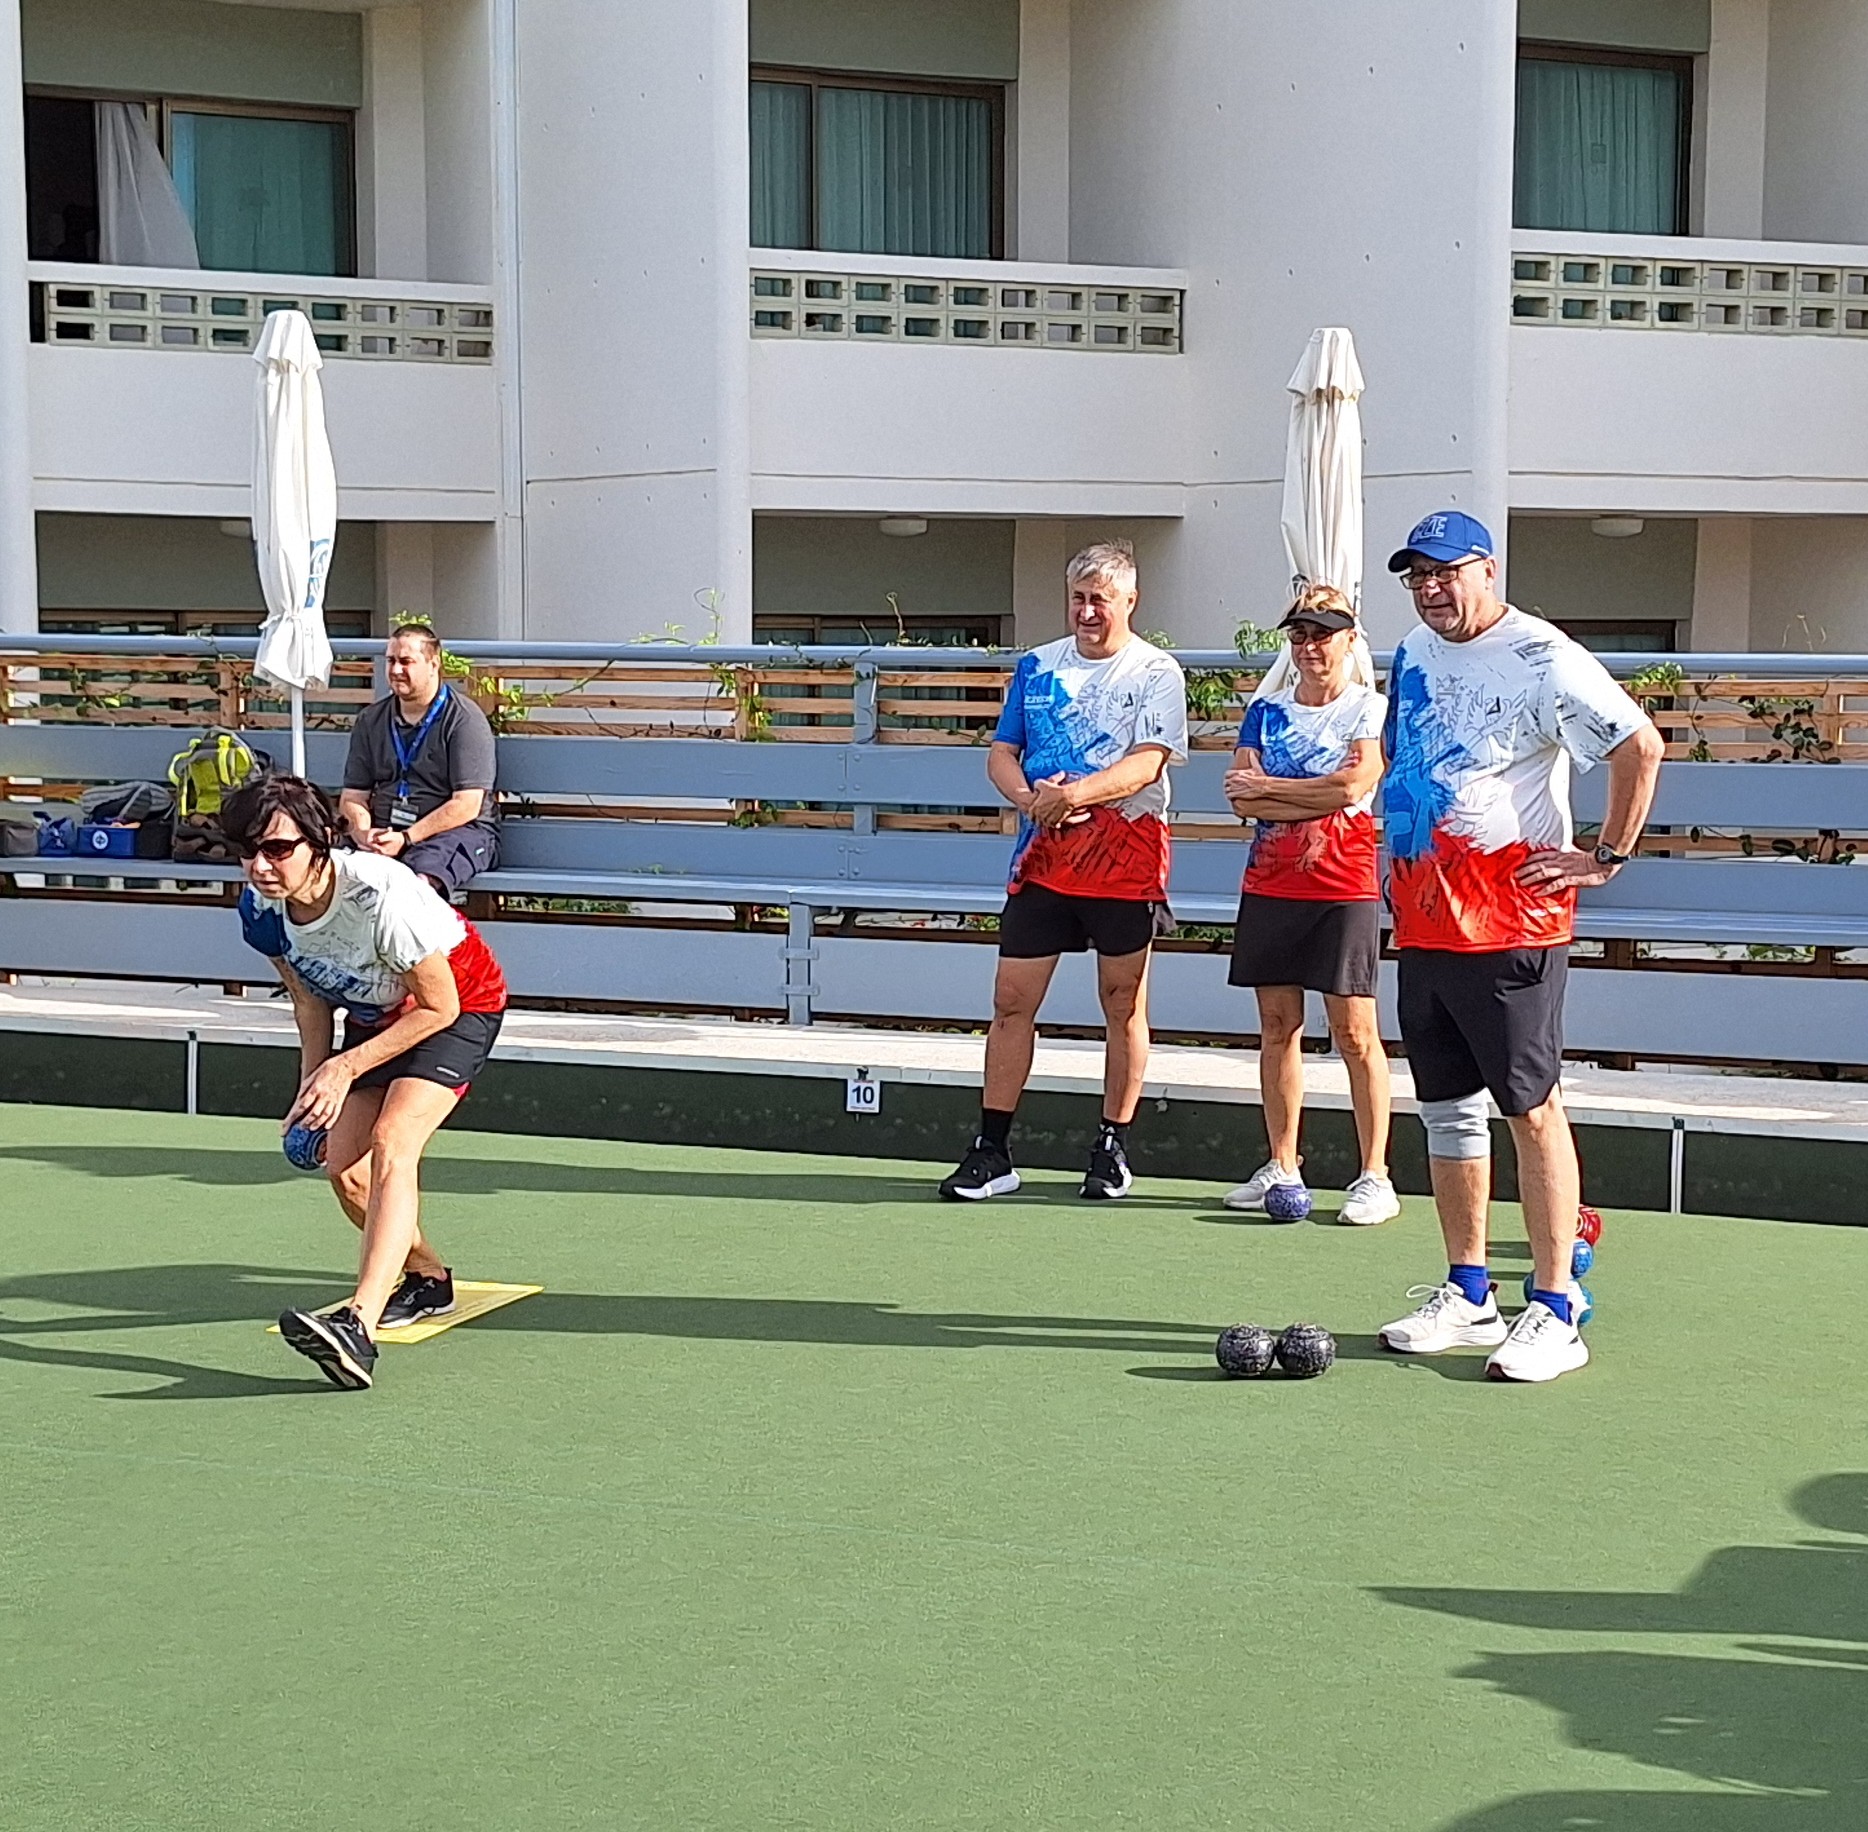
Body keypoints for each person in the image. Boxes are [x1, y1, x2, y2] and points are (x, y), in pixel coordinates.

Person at [1375, 511, 1662, 1383]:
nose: (1431, 589)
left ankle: (1556, 1307)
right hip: (1424, 918)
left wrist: (1605, 856)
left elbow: (1640, 745)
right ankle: (1469, 1292)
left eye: (1445, 572)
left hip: (1512, 922)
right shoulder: (1412, 653)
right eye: (1417, 576)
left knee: (1530, 1108)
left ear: (1487, 571)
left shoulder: (1544, 654)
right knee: (1447, 1108)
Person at [222, 772, 509, 1390]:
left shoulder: (380, 897)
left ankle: (359, 1327)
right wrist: (313, 1088)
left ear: (319, 842)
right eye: (247, 850)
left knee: (392, 1141)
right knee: (345, 1172)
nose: (260, 866)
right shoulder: (262, 911)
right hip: (378, 1015)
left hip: (459, 1004)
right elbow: (310, 1001)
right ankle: (429, 1279)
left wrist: (345, 1067)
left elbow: (440, 1007)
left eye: (277, 849)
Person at [939, 540, 1189, 1203]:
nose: (1087, 612)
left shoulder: (1156, 672)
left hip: (1126, 860)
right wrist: (1031, 801)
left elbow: (1148, 763)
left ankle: (1112, 1145)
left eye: (1100, 599)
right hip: (1042, 860)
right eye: (1078, 598)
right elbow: (1002, 752)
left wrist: (1072, 795)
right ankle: (992, 1149)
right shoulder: (1038, 665)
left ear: (1130, 601)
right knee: (1010, 1000)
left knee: (1122, 1002)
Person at [1221, 586, 1398, 1226]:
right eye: (1300, 635)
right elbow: (1240, 798)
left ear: (1350, 639)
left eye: (1323, 634)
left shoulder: (1369, 708)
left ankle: (1374, 1174)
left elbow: (1353, 786)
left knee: (1355, 1032)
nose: (1310, 646)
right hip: (1271, 884)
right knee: (1277, 1027)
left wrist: (1274, 789)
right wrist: (1303, 793)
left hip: (1342, 885)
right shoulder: (1265, 711)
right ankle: (1282, 1161)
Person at [340, 621, 500, 898]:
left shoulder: (464, 720)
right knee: (320, 861)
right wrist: (364, 834)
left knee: (417, 879)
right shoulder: (370, 720)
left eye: (406, 661)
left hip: (455, 833)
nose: (395, 670)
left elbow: (467, 805)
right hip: (387, 832)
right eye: (391, 660)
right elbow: (353, 796)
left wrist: (407, 838)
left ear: (433, 664)